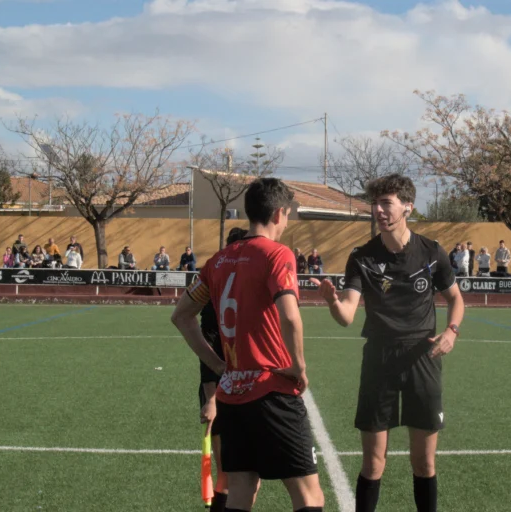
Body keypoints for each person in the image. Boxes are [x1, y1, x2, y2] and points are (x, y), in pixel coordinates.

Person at [311, 174, 465, 512]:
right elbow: (347, 315)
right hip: (379, 360)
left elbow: (456, 298)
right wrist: (333, 301)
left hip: (422, 359)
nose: (378, 210)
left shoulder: (431, 252)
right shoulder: (362, 257)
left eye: (386, 203)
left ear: (407, 206)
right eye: (375, 204)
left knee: (424, 463)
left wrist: (451, 330)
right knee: (373, 463)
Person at [171, 177, 325, 512]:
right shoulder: (277, 254)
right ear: (279, 213)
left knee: (241, 489)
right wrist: (298, 366)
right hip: (271, 389)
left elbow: (181, 316)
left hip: (232, 393)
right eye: (288, 215)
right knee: (309, 495)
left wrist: (216, 366)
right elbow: (290, 315)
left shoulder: (219, 261)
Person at [197, 227, 255, 512]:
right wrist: (210, 398)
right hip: (222, 388)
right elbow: (206, 344)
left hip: (253, 386)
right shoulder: (215, 290)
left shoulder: (250, 286)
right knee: (228, 475)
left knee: (248, 477)